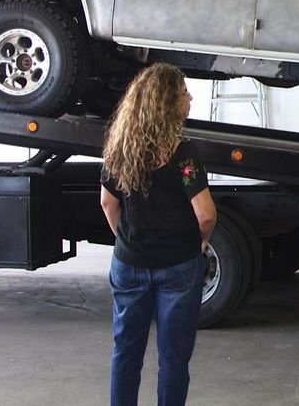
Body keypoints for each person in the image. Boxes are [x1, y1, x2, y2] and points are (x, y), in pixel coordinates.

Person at [99, 63, 217, 406]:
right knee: (174, 360)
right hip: (178, 266)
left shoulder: (118, 147)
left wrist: (126, 239)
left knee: (126, 352)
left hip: (129, 263)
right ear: (167, 102)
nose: (190, 98)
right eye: (183, 93)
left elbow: (108, 202)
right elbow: (206, 214)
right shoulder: (183, 155)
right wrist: (200, 242)